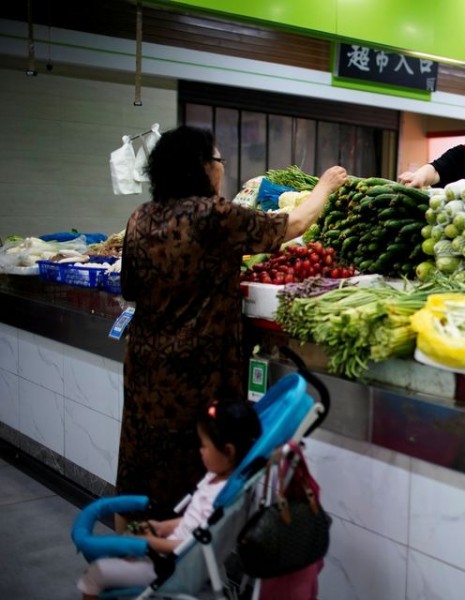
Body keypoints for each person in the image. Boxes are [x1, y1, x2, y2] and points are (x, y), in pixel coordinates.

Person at [117, 125, 346, 527]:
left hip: (145, 366)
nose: (222, 169)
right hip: (196, 370)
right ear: (203, 168)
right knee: (196, 465)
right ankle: (178, 557)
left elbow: (131, 287)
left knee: (141, 460)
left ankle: (129, 549)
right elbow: (290, 226)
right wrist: (325, 186)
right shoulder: (212, 215)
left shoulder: (140, 218)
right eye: (219, 160)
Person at [77, 399, 262, 599]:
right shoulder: (216, 479)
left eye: (204, 446)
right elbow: (194, 522)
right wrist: (163, 526)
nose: (200, 451)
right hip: (169, 555)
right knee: (115, 559)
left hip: (170, 567)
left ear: (228, 451)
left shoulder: (220, 496)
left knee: (96, 573)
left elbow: (194, 543)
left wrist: (149, 542)